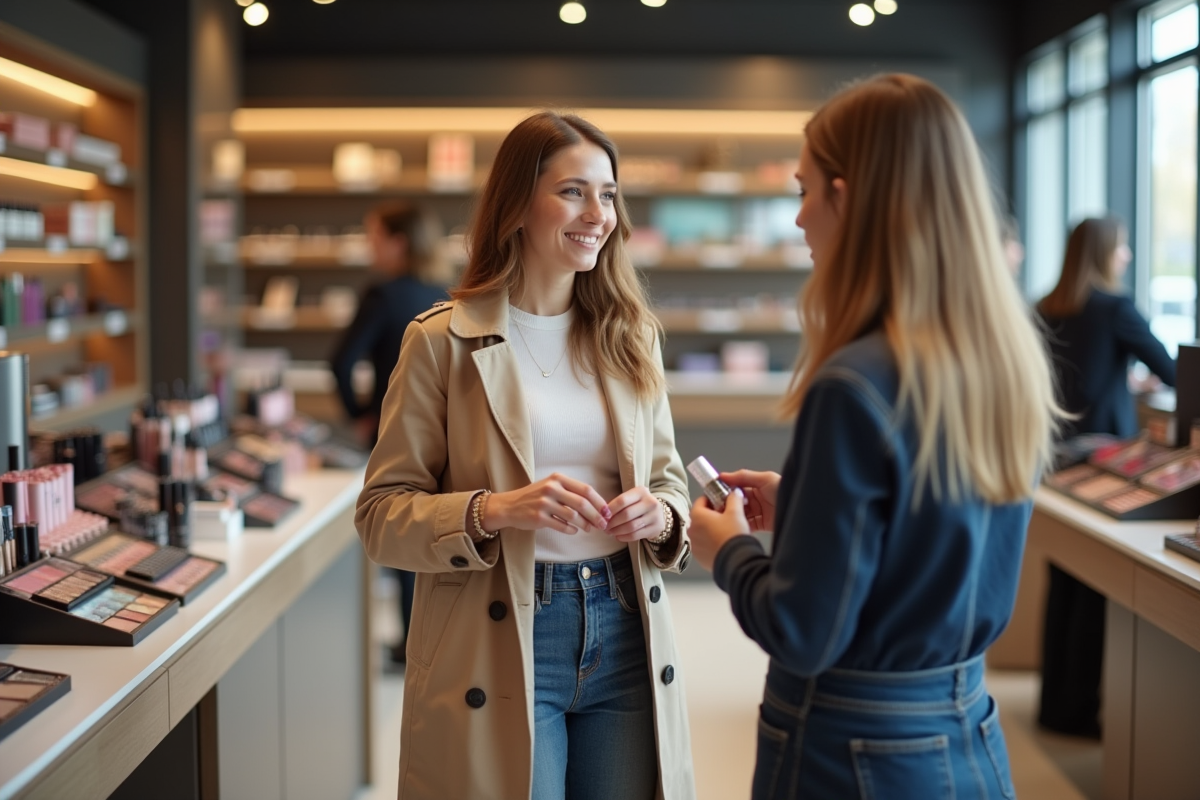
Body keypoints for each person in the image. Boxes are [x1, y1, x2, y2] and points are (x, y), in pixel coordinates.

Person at [687, 74, 1061, 800]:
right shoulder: (1000, 360)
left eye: (803, 192)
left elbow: (803, 631)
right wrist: (806, 500)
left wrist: (726, 551)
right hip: (969, 732)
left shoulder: (853, 382)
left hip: (853, 753)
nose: (797, 221)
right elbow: (935, 523)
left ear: (847, 196)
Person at [355, 111, 695, 800]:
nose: (597, 214)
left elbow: (668, 481)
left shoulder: (630, 338)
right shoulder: (441, 342)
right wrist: (494, 510)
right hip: (503, 629)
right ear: (517, 203)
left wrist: (660, 516)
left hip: (624, 622)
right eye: (573, 191)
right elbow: (381, 517)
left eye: (608, 193)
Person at [1036, 215, 1177, 738]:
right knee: (1097, 590)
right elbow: (1171, 370)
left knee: (1065, 578)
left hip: (1051, 459)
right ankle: (1079, 714)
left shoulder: (1043, 308)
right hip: (1103, 457)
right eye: (1122, 249)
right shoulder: (1115, 308)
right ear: (1103, 253)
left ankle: (1057, 706)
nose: (1127, 258)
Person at [329, 201, 448, 666]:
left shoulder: (381, 295)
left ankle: (408, 644)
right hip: (446, 429)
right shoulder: (445, 291)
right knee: (440, 529)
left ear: (398, 242)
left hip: (394, 427)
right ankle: (435, 641)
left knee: (404, 526)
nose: (369, 248)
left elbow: (340, 361)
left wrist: (359, 413)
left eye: (374, 238)